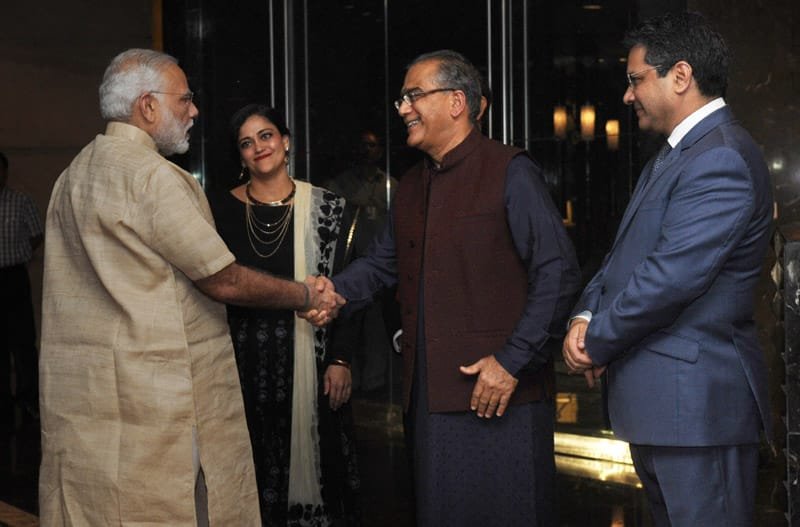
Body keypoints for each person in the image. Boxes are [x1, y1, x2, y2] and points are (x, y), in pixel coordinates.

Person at [39, 49, 342, 526]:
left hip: (88, 401)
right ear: (148, 106)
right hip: (159, 403)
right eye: (184, 99)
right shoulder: (152, 177)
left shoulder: (72, 175)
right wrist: (306, 295)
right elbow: (221, 277)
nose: (194, 110)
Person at [332, 50, 581, 526]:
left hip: (504, 396)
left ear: (456, 102)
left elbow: (558, 272)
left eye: (413, 96)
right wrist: (325, 292)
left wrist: (511, 361)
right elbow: (381, 264)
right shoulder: (410, 186)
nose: (403, 109)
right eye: (401, 99)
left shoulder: (510, 170)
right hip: (430, 401)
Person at [562, 12, 773, 527]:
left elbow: (670, 278)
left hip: (697, 410)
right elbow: (621, 258)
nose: (628, 95)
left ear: (680, 75)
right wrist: (584, 316)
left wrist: (596, 341)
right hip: (668, 408)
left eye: (635, 79)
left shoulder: (720, 158)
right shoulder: (678, 154)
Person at [208, 103, 360, 526]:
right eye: (246, 143)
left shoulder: (329, 209)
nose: (259, 147)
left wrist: (341, 359)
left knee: (325, 470)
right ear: (240, 157)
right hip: (242, 368)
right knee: (251, 474)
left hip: (316, 361)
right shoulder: (218, 212)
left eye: (266, 135)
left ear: (286, 141)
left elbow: (347, 291)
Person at [324, 131, 397, 394]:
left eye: (372, 145)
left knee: (377, 330)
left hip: (383, 270)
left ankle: (376, 387)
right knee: (347, 326)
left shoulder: (392, 186)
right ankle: (350, 385)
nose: (367, 150)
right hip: (349, 267)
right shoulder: (340, 184)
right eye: (363, 145)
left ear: (380, 150)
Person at [0, 151, 43, 429]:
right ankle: (3, 403)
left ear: (5, 172)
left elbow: (37, 233)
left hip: (14, 277)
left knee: (23, 341)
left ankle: (28, 400)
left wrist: (22, 253)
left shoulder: (21, 201)